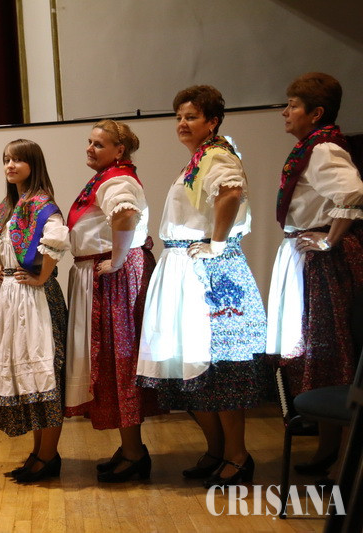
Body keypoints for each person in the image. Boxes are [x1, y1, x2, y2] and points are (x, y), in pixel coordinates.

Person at [136, 85, 267, 488]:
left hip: (209, 275)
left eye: (191, 116)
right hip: (187, 270)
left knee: (220, 368)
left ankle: (238, 456)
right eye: (178, 117)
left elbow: (231, 192)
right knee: (192, 369)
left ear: (212, 122)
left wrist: (217, 244)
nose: (182, 123)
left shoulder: (218, 155)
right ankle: (217, 451)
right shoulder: (199, 159)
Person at [266, 72, 363, 478]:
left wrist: (329, 240)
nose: (285, 112)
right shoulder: (312, 147)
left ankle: (343, 459)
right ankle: (328, 448)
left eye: (292, 105)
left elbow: (352, 192)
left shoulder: (323, 148)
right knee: (319, 350)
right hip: (310, 257)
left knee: (332, 349)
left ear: (316, 112)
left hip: (326, 263)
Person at [64, 120, 164, 483]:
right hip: (108, 277)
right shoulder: (110, 177)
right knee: (112, 363)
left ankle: (135, 453)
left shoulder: (117, 180)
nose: (90, 148)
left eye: (98, 144)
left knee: (118, 362)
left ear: (119, 150)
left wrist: (118, 260)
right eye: (89, 142)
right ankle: (129, 447)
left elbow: (125, 214)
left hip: (115, 282)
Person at [0, 139, 69, 483]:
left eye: (18, 160)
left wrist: (42, 276)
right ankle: (38, 452)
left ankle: (49, 455)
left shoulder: (42, 205)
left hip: (37, 299)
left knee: (45, 373)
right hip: (12, 298)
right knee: (27, 377)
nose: (10, 165)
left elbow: (56, 238)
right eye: (6, 160)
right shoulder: (7, 207)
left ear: (33, 164)